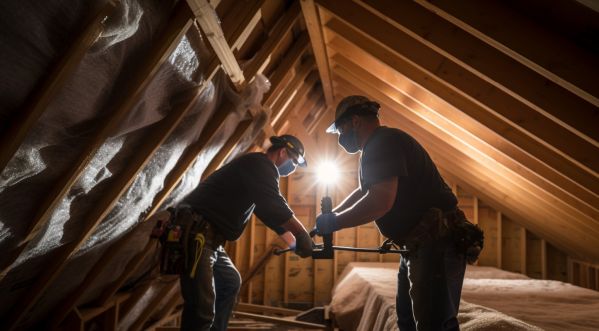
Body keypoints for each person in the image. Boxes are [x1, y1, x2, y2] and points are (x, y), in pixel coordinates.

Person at [315, 96, 468, 331]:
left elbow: (379, 202)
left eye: (341, 129)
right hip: (418, 244)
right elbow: (364, 191)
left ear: (355, 121)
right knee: (406, 320)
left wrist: (334, 222)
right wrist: (332, 215)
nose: (340, 137)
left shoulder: (383, 143)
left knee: (433, 325)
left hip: (436, 241)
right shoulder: (377, 145)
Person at [176, 134, 314, 331]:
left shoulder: (256, 172)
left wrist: (294, 243)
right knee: (201, 309)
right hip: (197, 234)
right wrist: (302, 234)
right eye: (293, 161)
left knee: (230, 282)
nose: (292, 168)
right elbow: (273, 205)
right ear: (282, 151)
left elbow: (268, 214)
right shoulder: (261, 164)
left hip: (211, 240)